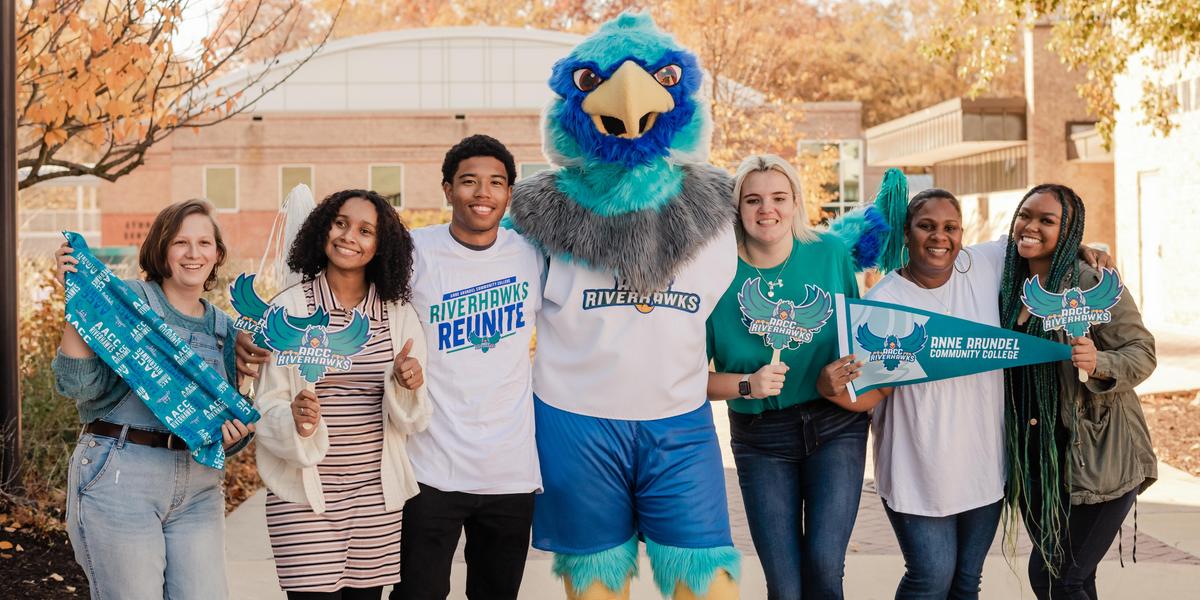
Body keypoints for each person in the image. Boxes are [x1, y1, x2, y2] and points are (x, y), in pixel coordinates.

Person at [52, 198, 255, 599]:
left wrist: (235, 436)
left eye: (204, 243)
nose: (193, 253)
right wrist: (80, 303)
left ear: (217, 255)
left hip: (198, 488)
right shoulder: (128, 303)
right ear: (162, 249)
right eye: (181, 242)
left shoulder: (224, 330)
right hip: (121, 476)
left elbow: (223, 425)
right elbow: (79, 387)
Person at [821, 189, 1008, 600]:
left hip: (983, 464)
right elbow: (870, 396)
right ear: (907, 233)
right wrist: (829, 390)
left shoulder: (982, 265)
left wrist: (1085, 251)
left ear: (962, 233)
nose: (939, 237)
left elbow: (1036, 238)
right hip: (919, 469)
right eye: (926, 226)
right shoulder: (884, 301)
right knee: (931, 577)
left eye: (950, 227)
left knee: (966, 582)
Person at [252, 189, 429, 600]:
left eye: (366, 230)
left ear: (381, 245)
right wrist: (292, 417)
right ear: (323, 228)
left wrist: (409, 386)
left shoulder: (397, 314)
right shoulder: (291, 309)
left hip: (374, 498)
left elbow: (415, 418)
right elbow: (267, 403)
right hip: (304, 495)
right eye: (341, 223)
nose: (350, 236)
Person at [705, 154, 868, 600]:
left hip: (835, 426)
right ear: (737, 208)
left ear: (796, 202)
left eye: (779, 197)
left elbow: (860, 345)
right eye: (752, 199)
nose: (766, 210)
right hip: (761, 437)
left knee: (823, 566)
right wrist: (746, 384)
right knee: (785, 585)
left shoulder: (829, 254)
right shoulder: (713, 272)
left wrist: (844, 377)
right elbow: (687, 379)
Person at [390, 134, 543, 600]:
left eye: (496, 183)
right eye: (470, 182)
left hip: (510, 470)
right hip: (430, 467)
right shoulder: (414, 252)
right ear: (447, 189)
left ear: (509, 194)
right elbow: (358, 308)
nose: (483, 193)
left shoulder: (531, 254)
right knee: (418, 594)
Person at [998, 184, 1156, 600]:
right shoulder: (1004, 282)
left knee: (1053, 578)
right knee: (1076, 581)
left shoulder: (1092, 283)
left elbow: (1142, 351)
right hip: (1036, 466)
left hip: (1098, 460)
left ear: (1068, 231)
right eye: (1025, 215)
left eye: (1047, 221)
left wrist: (1098, 361)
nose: (1031, 226)